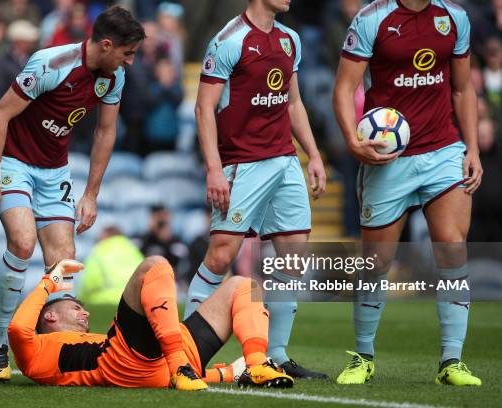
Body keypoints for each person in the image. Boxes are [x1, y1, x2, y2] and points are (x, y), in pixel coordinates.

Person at [0, 6, 145, 382]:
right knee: (21, 244)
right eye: (126, 53)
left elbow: (105, 132)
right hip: (15, 163)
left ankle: (60, 347)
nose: (129, 62)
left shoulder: (111, 77)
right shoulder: (52, 63)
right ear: (105, 45)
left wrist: (91, 194)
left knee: (63, 260)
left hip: (55, 172)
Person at [333, 0, 483, 386]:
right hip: (388, 158)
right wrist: (352, 141)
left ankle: (452, 361)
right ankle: (362, 355)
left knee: (452, 247)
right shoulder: (372, 19)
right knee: (376, 262)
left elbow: (464, 89)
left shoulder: (455, 17)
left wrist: (473, 148)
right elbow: (345, 86)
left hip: (443, 150)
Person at [183, 0, 328, 380]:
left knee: (293, 258)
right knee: (221, 255)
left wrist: (312, 154)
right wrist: (214, 169)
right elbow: (203, 108)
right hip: (241, 164)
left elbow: (293, 102)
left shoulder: (289, 39)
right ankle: (184, 352)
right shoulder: (228, 41)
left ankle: (276, 355)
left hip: (284, 160)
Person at [8, 256, 294, 390]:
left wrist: (226, 374)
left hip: (165, 361)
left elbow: (154, 378)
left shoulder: (85, 338)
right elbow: (17, 328)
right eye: (75, 308)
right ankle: (180, 365)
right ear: (50, 316)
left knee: (243, 285)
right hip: (121, 361)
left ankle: (257, 364)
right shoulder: (36, 350)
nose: (85, 314)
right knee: (154, 266)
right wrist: (50, 281)